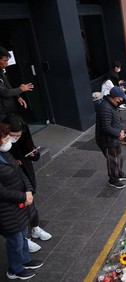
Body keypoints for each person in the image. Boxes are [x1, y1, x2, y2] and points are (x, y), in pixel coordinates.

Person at [0, 122, 43, 280]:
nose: (7, 141)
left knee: (22, 235)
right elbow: (2, 192)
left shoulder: (5, 154)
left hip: (20, 204)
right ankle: (15, 269)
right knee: (15, 240)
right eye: (4, 138)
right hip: (7, 209)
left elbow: (20, 172)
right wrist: (23, 196)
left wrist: (28, 190)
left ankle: (25, 261)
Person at [3, 115, 52, 254]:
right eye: (11, 136)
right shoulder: (4, 149)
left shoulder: (23, 138)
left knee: (31, 205)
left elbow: (33, 153)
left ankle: (35, 229)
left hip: (25, 176)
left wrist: (32, 154)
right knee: (19, 212)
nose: (13, 139)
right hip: (11, 186)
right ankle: (25, 239)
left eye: (18, 136)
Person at [95, 87, 126, 189]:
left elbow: (116, 120)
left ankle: (119, 174)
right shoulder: (105, 108)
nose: (122, 100)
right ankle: (113, 180)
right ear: (116, 98)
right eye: (121, 98)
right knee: (113, 160)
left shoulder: (113, 105)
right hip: (107, 140)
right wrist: (118, 134)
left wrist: (121, 130)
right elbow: (106, 127)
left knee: (118, 157)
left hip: (114, 138)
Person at [0, 47, 34, 121]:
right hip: (2, 113)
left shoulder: (1, 72)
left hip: (9, 108)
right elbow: (4, 92)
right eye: (5, 61)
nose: (7, 64)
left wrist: (18, 96)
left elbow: (8, 86)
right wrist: (21, 89)